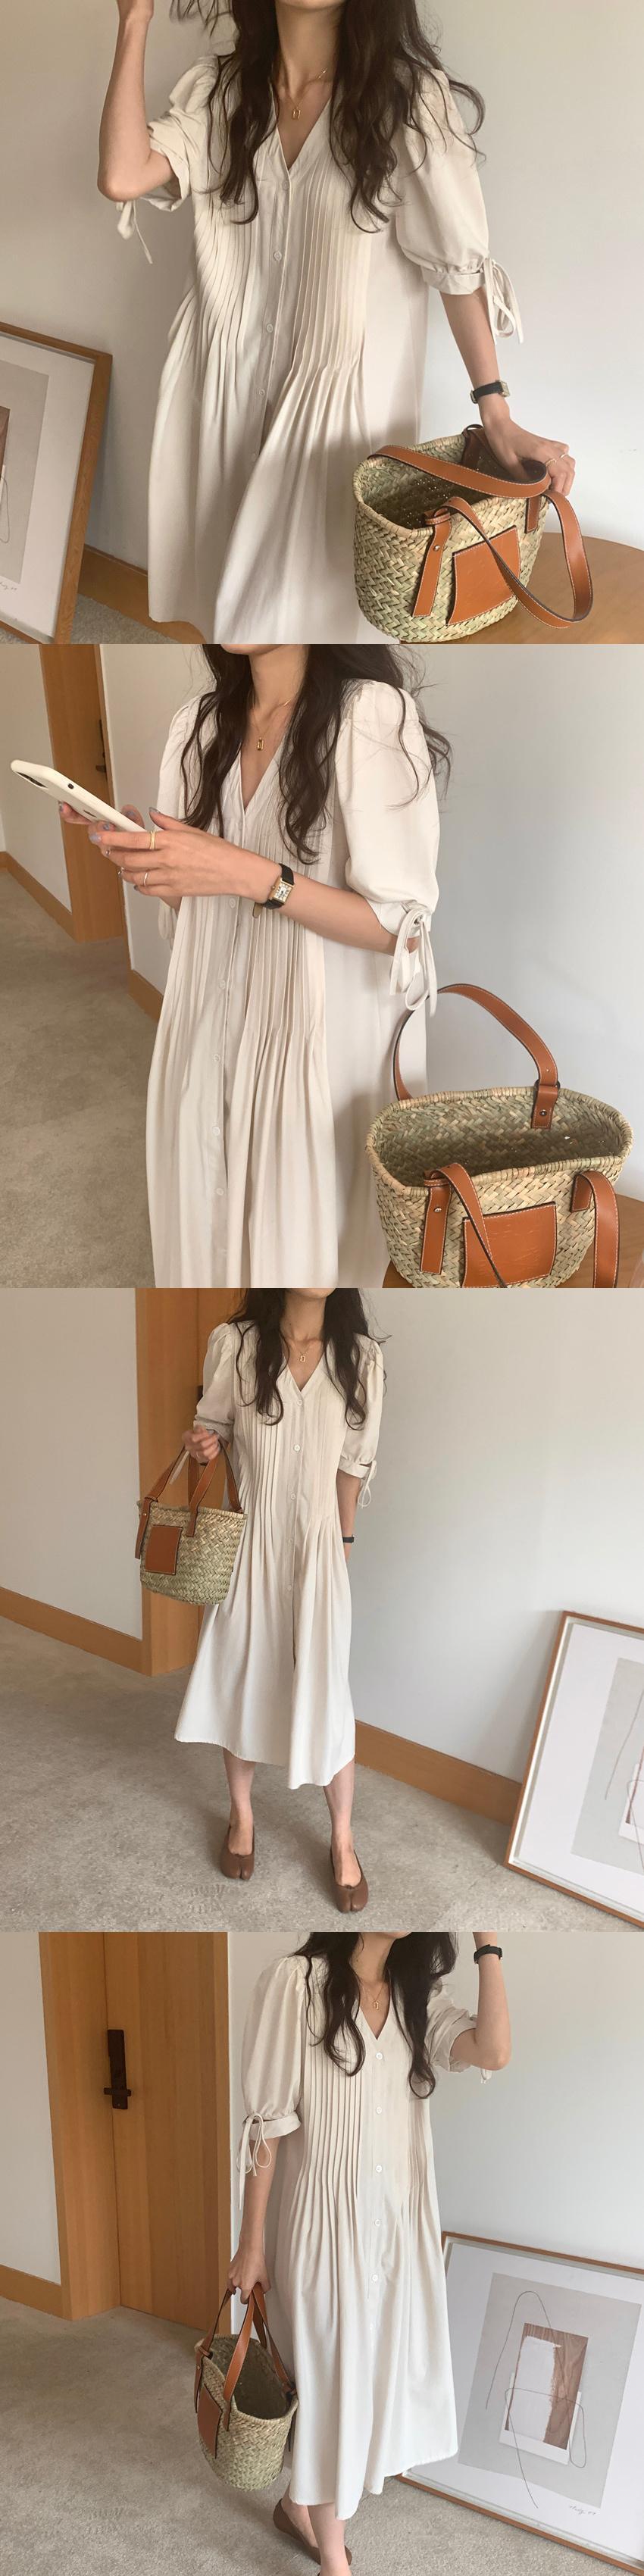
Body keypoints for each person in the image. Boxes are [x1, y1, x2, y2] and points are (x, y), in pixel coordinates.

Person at [97, 0, 574, 640]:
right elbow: (122, 174)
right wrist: (134, 21)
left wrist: (495, 411)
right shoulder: (222, 92)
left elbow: (457, 270)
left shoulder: (406, 100)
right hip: (225, 400)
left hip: (334, 420)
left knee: (315, 627)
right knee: (235, 628)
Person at [68, 643, 445, 1285]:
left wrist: (250, 874)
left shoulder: (369, 715)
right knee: (205, 1232)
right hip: (206, 1024)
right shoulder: (199, 725)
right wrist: (151, 862)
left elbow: (399, 930)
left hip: (310, 1046)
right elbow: (196, 904)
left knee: (303, 1249)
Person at [228, 1929, 511, 2573]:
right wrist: (251, 2242)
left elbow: (495, 2049)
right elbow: (267, 2126)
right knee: (336, 2383)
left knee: (369, 2379)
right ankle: (335, 2559)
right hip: (321, 2228)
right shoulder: (296, 1983)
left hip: (398, 2229)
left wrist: (488, 1943)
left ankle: (299, 2507)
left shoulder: (417, 1998)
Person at [176, 1290, 384, 1900]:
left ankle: (342, 1836)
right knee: (243, 1677)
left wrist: (343, 1545)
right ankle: (242, 1816)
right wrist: (203, 1446)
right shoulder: (236, 1345)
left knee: (329, 1691)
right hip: (251, 1544)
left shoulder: (360, 1358)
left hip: (320, 1549)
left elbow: (352, 1467)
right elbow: (211, 1433)